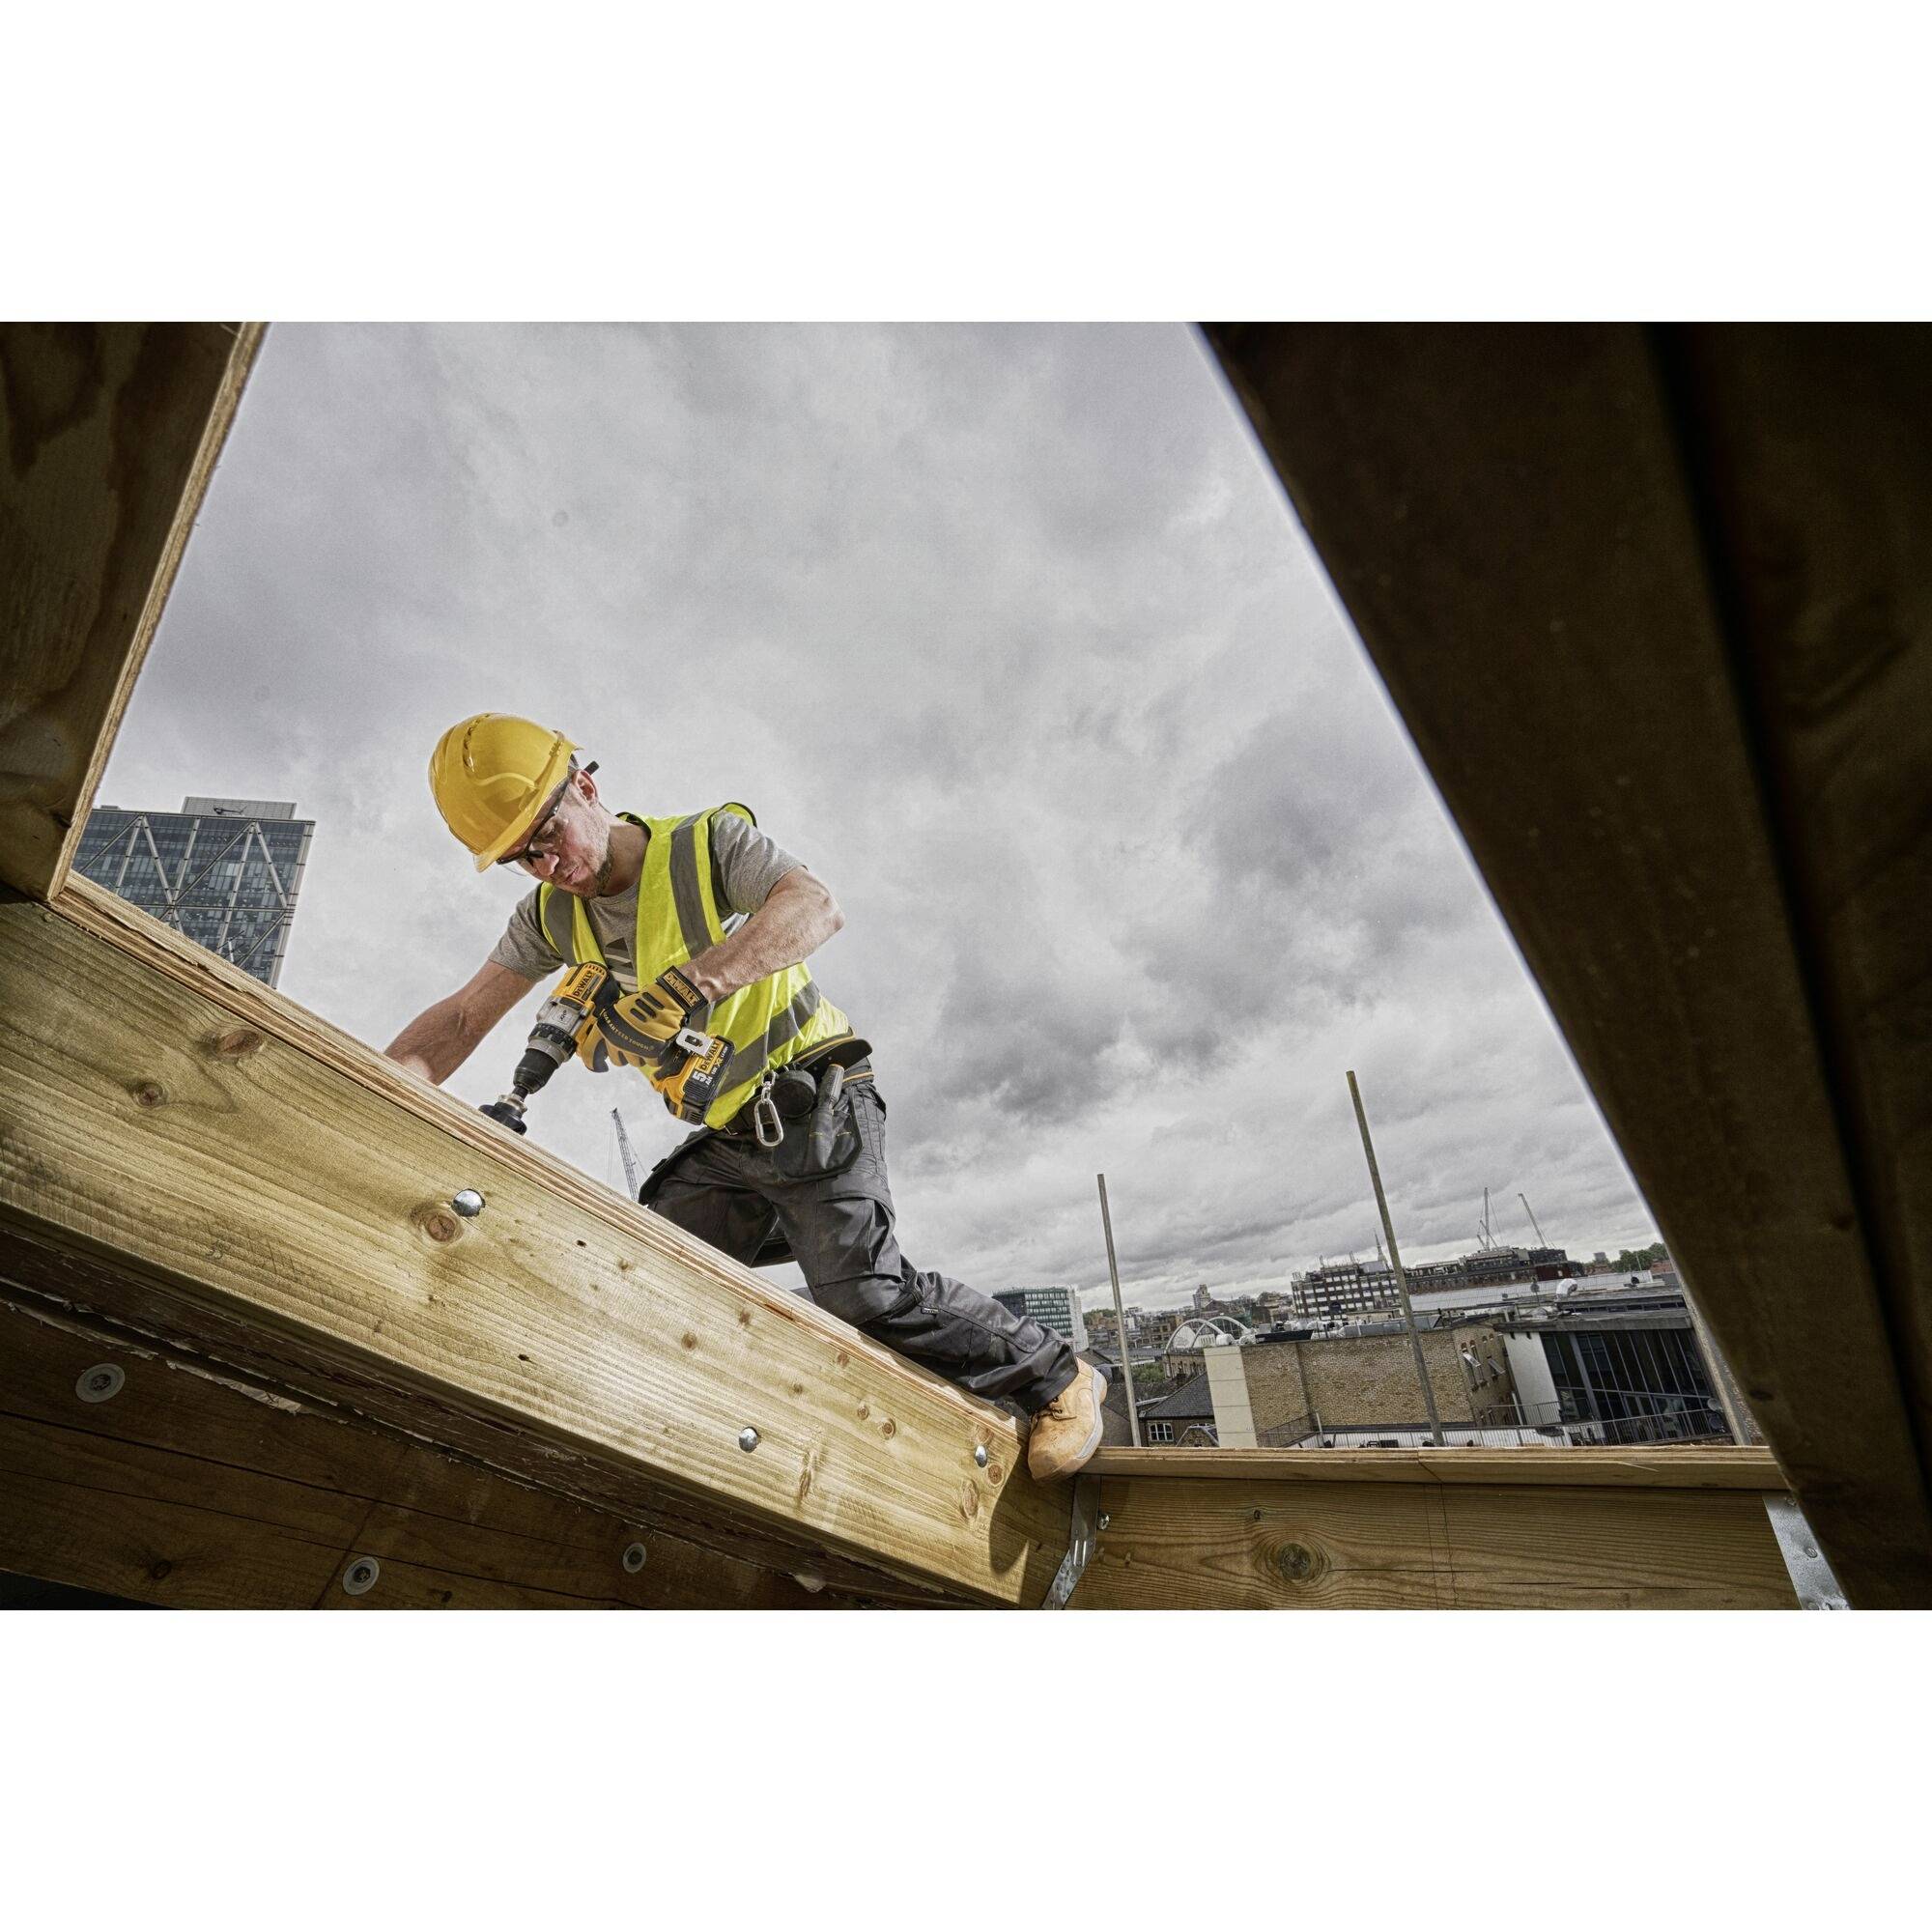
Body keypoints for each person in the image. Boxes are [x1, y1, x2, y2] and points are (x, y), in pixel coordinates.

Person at [386, 713, 1105, 1481]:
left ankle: (1059, 1377)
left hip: (818, 1095)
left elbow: (816, 906)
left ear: (586, 786)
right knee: (649, 1266)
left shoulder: (707, 846)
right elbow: (465, 1016)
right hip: (731, 1136)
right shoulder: (549, 918)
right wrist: (383, 1087)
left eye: (547, 834)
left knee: (865, 1294)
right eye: (519, 858)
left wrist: (694, 983)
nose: (543, 865)